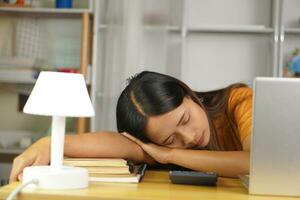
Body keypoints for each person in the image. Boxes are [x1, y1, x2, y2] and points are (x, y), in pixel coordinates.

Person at [9, 71, 252, 182]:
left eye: (185, 119)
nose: (189, 137)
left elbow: (255, 163)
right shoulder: (156, 144)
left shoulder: (238, 101)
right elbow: (121, 143)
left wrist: (171, 153)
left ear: (187, 93)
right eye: (170, 139)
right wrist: (50, 144)